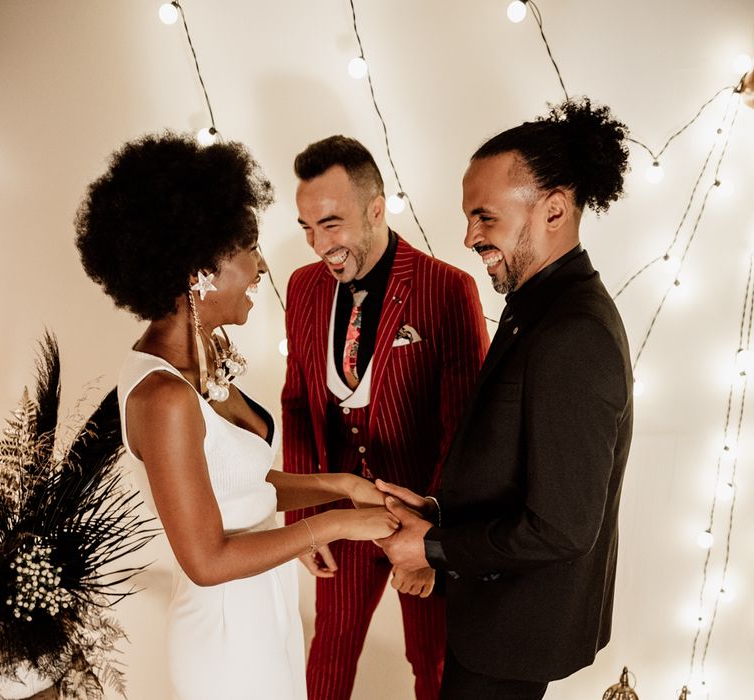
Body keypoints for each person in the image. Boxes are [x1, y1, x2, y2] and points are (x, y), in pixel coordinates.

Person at [74, 133, 400, 700]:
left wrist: (343, 487)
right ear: (201, 268)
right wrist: (338, 524)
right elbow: (206, 559)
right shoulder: (164, 397)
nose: (262, 264)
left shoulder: (201, 356)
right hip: (226, 640)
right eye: (249, 246)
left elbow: (239, 487)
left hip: (265, 614)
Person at [377, 98, 634, 700]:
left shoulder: (574, 331)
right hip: (493, 614)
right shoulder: (534, 306)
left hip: (516, 631)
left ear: (554, 210)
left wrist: (431, 547)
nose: (468, 237)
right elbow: (515, 465)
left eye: (484, 217)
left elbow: (562, 527)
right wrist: (435, 513)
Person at [281, 135, 489, 699]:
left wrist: (434, 543)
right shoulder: (301, 288)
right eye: (307, 227)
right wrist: (301, 520)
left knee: (435, 665)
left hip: (425, 514)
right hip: (339, 516)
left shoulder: (447, 289)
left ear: (377, 209)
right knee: (329, 655)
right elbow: (299, 404)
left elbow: (467, 430)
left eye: (332, 224)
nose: (319, 244)